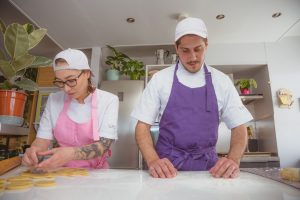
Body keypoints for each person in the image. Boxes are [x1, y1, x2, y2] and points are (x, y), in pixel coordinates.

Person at [131, 17, 253, 178]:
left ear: (206, 44)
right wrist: (153, 160)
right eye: (185, 50)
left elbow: (239, 126)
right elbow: (142, 126)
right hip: (166, 169)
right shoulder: (160, 79)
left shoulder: (222, 81)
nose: (193, 57)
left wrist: (233, 160)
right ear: (176, 48)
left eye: (198, 49)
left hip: (209, 170)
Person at [22, 48, 119, 169]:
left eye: (71, 80)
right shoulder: (54, 100)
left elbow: (104, 145)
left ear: (87, 73)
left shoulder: (108, 100)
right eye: (60, 82)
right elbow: (43, 139)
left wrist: (71, 154)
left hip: (96, 174)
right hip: (62, 172)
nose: (66, 89)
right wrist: (34, 150)